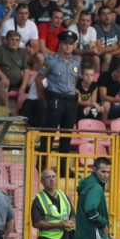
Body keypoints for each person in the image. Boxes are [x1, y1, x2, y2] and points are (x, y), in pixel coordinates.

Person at [35, 30, 79, 174]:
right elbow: (39, 79)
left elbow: (75, 80)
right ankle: (42, 165)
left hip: (70, 101)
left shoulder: (76, 62)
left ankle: (63, 167)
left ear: (74, 45)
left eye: (71, 44)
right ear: (60, 44)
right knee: (49, 133)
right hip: (55, 99)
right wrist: (43, 99)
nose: (68, 46)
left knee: (66, 135)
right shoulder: (51, 60)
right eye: (65, 43)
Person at [0, 29, 29, 113]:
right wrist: (3, 77)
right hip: (0, 80)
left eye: (17, 40)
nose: (14, 42)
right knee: (3, 84)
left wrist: (23, 87)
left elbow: (26, 70)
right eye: (12, 39)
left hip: (16, 82)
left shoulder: (22, 52)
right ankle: (7, 111)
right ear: (6, 40)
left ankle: (26, 111)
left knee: (37, 81)